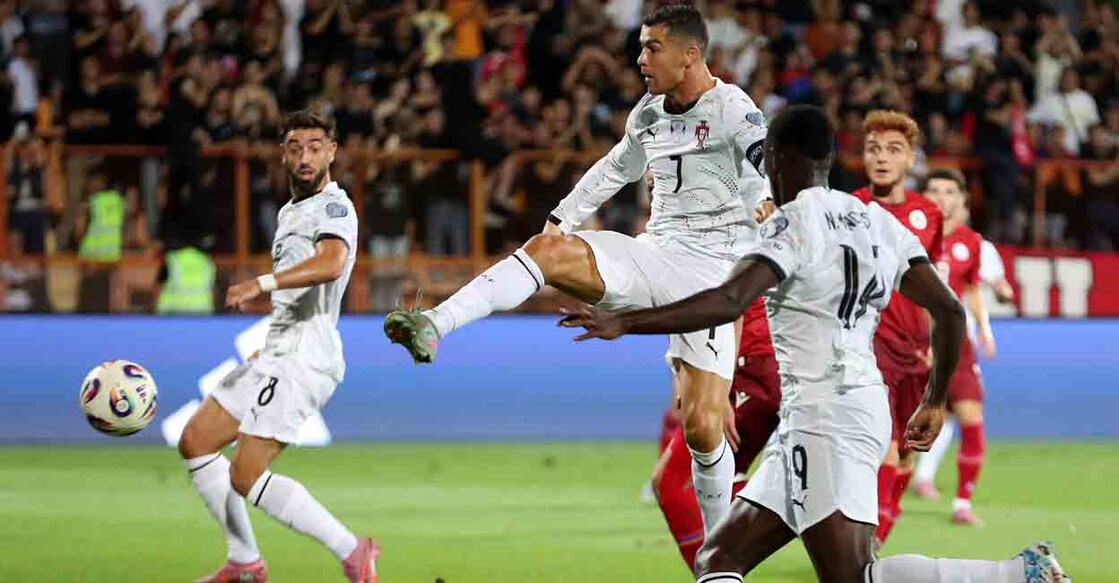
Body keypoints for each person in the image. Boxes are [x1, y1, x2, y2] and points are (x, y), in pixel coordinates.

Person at [560, 104, 1070, 583]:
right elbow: (950, 310)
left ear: (778, 160)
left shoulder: (792, 222)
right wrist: (935, 401)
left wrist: (626, 322)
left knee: (853, 576)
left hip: (826, 418)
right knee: (717, 557)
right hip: (844, 409)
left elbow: (728, 300)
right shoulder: (878, 224)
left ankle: (1016, 574)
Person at [384, 3, 771, 533]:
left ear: (691, 54)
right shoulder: (649, 113)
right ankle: (435, 324)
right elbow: (615, 167)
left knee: (703, 428)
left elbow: (757, 179)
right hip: (653, 255)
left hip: (713, 279)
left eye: (651, 47)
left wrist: (766, 208)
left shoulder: (735, 109)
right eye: (641, 46)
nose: (640, 59)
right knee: (545, 252)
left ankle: (721, 558)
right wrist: (559, 220)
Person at [176, 110, 378, 583]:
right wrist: (267, 343)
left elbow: (330, 264)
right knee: (196, 441)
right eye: (295, 147)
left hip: (306, 358)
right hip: (278, 350)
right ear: (283, 153)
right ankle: (244, 561)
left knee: (244, 476)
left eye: (314, 147)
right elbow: (298, 293)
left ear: (331, 152)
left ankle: (353, 551)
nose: (304, 157)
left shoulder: (334, 207)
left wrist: (259, 284)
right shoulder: (291, 212)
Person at [852, 110, 945, 547]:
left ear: (910, 160)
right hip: (868, 346)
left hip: (915, 350)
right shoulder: (848, 209)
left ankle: (880, 534)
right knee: (884, 446)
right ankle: (867, 547)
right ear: (862, 158)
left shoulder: (929, 214)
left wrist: (934, 348)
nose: (882, 158)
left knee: (907, 454)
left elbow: (933, 289)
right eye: (873, 149)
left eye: (894, 150)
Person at [652, 297, 781, 571]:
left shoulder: (709, 255)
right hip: (751, 363)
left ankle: (715, 576)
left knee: (674, 484)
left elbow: (731, 302)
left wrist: (721, 391)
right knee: (720, 484)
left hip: (746, 367)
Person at [910, 168, 992, 526]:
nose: (941, 198)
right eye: (934, 190)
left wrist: (985, 329)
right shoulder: (907, 236)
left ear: (960, 199)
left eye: (949, 191)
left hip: (956, 346)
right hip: (909, 343)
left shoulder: (971, 242)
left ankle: (962, 503)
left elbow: (971, 289)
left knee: (972, 419)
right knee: (897, 435)